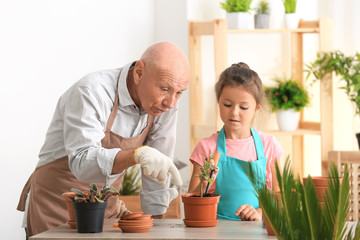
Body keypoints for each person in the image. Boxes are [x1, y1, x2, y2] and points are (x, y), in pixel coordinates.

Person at [17, 41, 189, 237]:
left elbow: (158, 171)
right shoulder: (91, 91)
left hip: (106, 209)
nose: (171, 102)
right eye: (164, 89)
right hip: (56, 207)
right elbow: (82, 162)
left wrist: (157, 229)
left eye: (179, 93)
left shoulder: (164, 106)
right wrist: (136, 154)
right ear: (139, 72)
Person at [188, 62, 283, 221]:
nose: (234, 112)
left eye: (244, 107)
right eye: (227, 104)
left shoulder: (269, 146)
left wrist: (259, 213)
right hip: (215, 231)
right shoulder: (206, 147)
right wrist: (204, 184)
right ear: (218, 102)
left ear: (256, 108)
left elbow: (282, 200)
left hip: (257, 231)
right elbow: (191, 201)